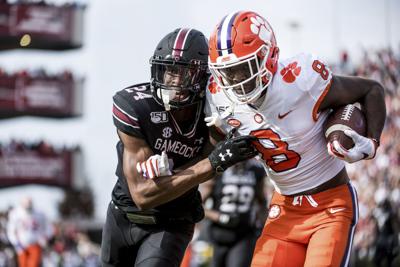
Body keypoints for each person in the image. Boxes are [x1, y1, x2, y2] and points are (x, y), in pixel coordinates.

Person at [205, 10, 386, 267]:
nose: (235, 81)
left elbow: (371, 89)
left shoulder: (299, 80)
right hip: (284, 209)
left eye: (243, 68)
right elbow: (211, 149)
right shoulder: (220, 99)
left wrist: (372, 143)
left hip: (330, 206)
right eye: (228, 72)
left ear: (269, 57)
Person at [101, 28, 257, 267]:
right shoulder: (135, 106)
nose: (172, 80)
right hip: (122, 216)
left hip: (170, 222)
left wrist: (216, 153)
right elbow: (143, 195)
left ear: (203, 76)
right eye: (168, 70)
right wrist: (215, 162)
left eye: (183, 73)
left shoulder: (215, 110)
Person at [200, 159, 267, 267]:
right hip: (217, 234)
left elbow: (261, 202)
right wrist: (218, 217)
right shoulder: (218, 170)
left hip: (243, 233)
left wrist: (264, 226)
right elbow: (198, 205)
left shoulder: (256, 170)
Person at [6, 197, 53, 267]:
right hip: (21, 245)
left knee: (33, 264)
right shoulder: (15, 214)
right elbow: (10, 231)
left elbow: (49, 228)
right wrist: (16, 243)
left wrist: (44, 238)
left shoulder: (39, 213)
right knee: (23, 264)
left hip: (35, 243)